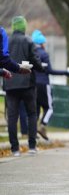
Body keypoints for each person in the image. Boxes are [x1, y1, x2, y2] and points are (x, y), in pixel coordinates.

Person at [3, 16, 45, 156]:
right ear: (24, 27)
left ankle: (15, 149)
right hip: (27, 83)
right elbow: (35, 59)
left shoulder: (6, 40)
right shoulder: (28, 40)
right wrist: (41, 68)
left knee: (12, 117)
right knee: (32, 114)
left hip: (10, 83)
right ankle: (32, 146)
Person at [31, 30, 69, 140]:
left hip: (33, 84)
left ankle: (33, 131)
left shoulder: (31, 54)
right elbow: (50, 71)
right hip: (44, 84)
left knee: (36, 109)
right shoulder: (44, 54)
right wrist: (65, 73)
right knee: (49, 108)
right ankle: (43, 126)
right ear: (42, 43)